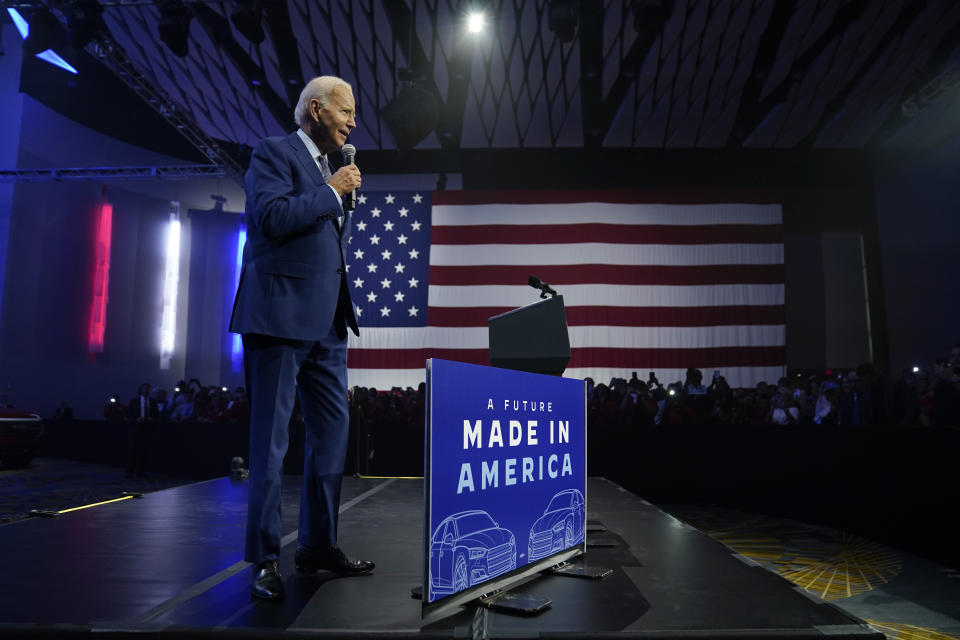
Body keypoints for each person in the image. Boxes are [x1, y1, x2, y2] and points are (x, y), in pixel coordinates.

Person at [229, 75, 371, 602]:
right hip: (277, 320)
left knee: (332, 439)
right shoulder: (273, 153)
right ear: (316, 109)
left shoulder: (329, 171)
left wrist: (333, 192)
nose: (353, 122)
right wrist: (330, 192)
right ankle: (266, 558)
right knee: (270, 444)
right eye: (347, 112)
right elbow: (268, 219)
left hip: (329, 325)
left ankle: (317, 545)